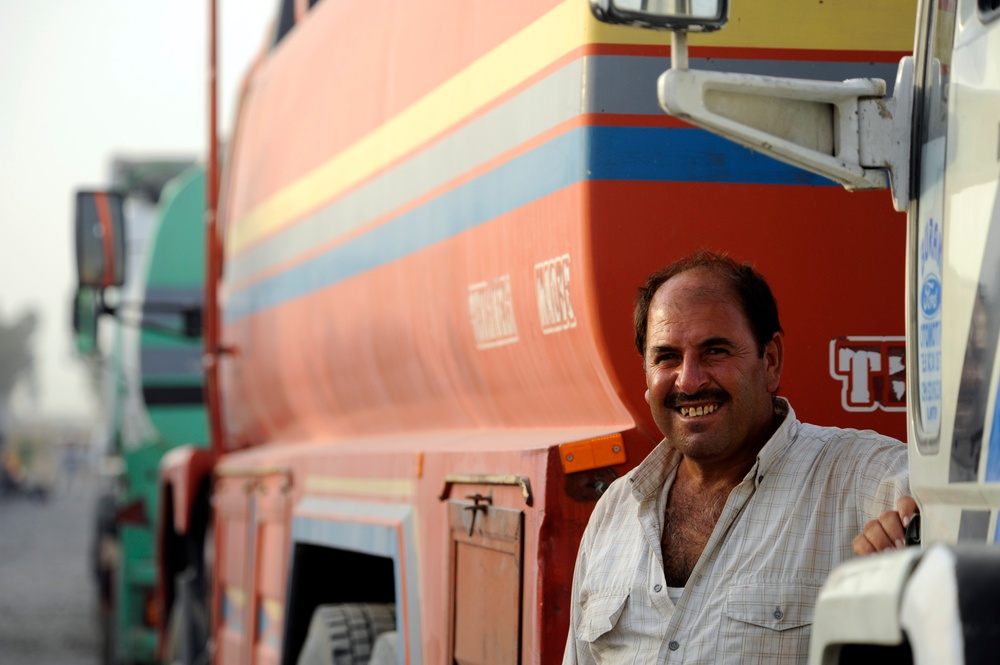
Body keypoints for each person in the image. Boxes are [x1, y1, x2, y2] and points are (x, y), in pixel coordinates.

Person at [563, 250, 914, 664]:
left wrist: (918, 554)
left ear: (770, 360)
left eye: (715, 351)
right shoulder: (614, 512)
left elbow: (968, 524)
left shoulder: (863, 480)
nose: (689, 381)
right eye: (667, 357)